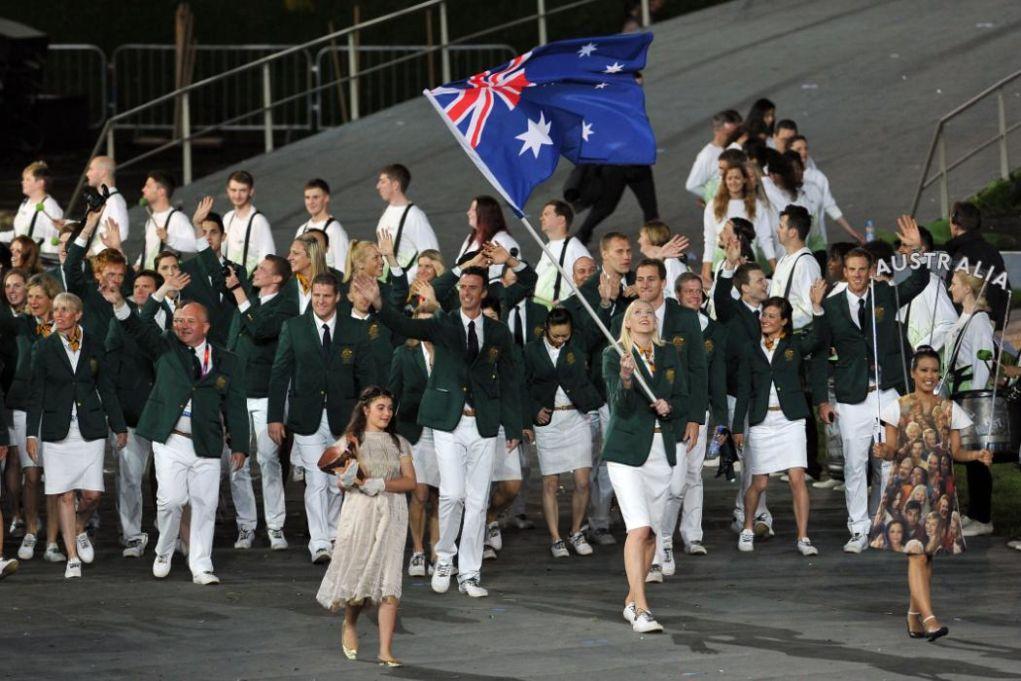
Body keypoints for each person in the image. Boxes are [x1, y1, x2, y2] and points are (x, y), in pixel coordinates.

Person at [353, 253, 524, 599]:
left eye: (473, 289)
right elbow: (405, 327)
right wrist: (379, 304)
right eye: (463, 288)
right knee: (451, 494)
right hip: (449, 422)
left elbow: (509, 378)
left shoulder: (497, 332)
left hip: (484, 425)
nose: (466, 294)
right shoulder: (443, 324)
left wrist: (515, 425)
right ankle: (444, 557)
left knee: (478, 500)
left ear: (483, 293)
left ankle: (471, 573)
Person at [105, 286, 250, 585]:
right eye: (179, 320)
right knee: (171, 501)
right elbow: (136, 329)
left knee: (204, 505)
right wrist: (119, 303)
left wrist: (240, 446)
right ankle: (164, 549)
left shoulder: (228, 360)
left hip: (207, 442)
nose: (182, 325)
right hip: (170, 439)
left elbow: (235, 405)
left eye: (189, 321)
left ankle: (201, 565)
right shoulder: (166, 347)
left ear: (206, 327)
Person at [813, 217, 928, 554]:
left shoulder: (885, 294)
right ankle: (858, 529)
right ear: (844, 272)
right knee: (854, 463)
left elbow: (919, 281)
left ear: (871, 269)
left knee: (890, 460)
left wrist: (917, 249)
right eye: (851, 269)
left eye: (863, 269)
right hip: (852, 396)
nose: (858, 275)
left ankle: (887, 523)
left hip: (887, 392)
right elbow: (819, 353)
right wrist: (822, 399)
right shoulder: (832, 306)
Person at [870, 346, 992, 641]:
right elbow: (891, 449)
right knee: (915, 553)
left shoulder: (950, 409)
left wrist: (977, 455)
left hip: (940, 490)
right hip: (907, 488)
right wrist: (882, 450)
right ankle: (930, 618)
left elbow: (956, 452)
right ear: (913, 373)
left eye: (934, 371)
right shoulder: (896, 407)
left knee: (927, 556)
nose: (929, 376)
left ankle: (913, 615)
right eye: (923, 370)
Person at [268, 274, 376, 563]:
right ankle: (319, 542)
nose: (321, 301)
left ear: (337, 297)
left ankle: (333, 533)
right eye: (316, 295)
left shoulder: (355, 329)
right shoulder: (294, 327)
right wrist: (275, 417)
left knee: (337, 480)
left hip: (345, 417)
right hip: (307, 417)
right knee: (316, 478)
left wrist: (367, 419)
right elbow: (280, 373)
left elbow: (366, 377)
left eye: (327, 296)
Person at [25, 292, 127, 578]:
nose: (58, 314)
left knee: (93, 494)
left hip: (90, 428)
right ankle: (72, 557)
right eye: (56, 309)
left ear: (78, 314)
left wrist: (118, 426)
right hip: (57, 431)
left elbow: (106, 387)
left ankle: (81, 525)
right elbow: (36, 394)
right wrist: (32, 433)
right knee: (65, 495)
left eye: (65, 309)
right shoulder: (44, 348)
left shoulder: (95, 344)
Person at [315, 387, 417, 667]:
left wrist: (382, 483)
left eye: (389, 408)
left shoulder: (399, 443)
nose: (386, 413)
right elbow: (340, 478)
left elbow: (410, 482)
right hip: (360, 512)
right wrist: (348, 479)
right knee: (360, 571)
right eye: (380, 407)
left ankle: (385, 651)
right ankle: (349, 623)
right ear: (366, 410)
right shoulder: (350, 441)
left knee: (389, 580)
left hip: (393, 512)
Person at [603, 300, 687, 633]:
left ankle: (630, 600)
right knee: (637, 528)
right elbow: (619, 407)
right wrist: (625, 378)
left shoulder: (668, 355)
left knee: (651, 532)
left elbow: (684, 396)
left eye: (650, 313)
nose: (645, 316)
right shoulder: (614, 355)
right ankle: (641, 609)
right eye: (637, 312)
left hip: (659, 450)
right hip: (626, 451)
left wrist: (671, 405)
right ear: (627, 323)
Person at [732, 293, 825, 555]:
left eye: (772, 316)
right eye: (764, 315)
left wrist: (816, 307)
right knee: (759, 482)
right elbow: (743, 390)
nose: (765, 320)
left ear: (784, 321)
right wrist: (738, 427)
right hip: (762, 421)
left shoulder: (794, 345)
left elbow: (817, 340)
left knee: (797, 479)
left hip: (791, 421)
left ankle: (803, 537)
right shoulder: (751, 349)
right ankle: (748, 528)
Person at [656, 272, 728, 571]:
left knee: (693, 476)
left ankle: (692, 534)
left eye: (699, 291)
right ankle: (664, 538)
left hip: (699, 413)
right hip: (672, 412)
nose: (695, 296)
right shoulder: (668, 323)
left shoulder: (713, 330)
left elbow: (715, 377)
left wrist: (720, 420)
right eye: (688, 291)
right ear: (677, 294)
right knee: (670, 479)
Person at [226, 254, 298, 550]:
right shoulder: (246, 306)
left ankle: (275, 526)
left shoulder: (285, 308)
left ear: (277, 278)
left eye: (262, 270)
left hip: (267, 396)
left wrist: (238, 292)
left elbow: (259, 329)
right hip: (239, 396)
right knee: (237, 464)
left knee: (268, 461)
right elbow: (232, 345)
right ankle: (246, 526)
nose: (255, 273)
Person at [524, 307, 602, 557]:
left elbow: (597, 327)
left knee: (582, 480)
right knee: (550, 482)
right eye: (556, 336)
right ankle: (556, 537)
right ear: (546, 328)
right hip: (548, 423)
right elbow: (521, 385)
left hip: (576, 417)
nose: (560, 340)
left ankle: (576, 531)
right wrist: (534, 410)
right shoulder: (530, 350)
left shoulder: (577, 346)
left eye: (565, 336)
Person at [4, 274, 66, 564]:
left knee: (55, 478)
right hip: (24, 406)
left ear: (52, 299)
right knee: (31, 475)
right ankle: (31, 530)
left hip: (56, 409)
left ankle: (53, 541)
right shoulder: (20, 326)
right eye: (31, 297)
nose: (33, 301)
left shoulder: (67, 329)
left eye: (39, 296)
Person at [105, 268, 164, 558]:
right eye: (137, 285)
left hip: (166, 416)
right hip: (131, 413)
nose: (140, 291)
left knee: (170, 480)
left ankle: (172, 535)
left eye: (147, 286)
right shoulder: (119, 323)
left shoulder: (177, 321)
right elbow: (111, 365)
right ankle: (131, 535)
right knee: (129, 477)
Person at [713, 257, 776, 532]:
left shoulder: (770, 313)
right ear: (744, 288)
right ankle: (750, 513)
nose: (765, 284)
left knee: (759, 455)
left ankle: (751, 511)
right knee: (751, 454)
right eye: (760, 280)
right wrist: (727, 266)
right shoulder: (731, 311)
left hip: (763, 395)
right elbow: (719, 295)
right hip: (737, 395)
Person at [388, 303, 441, 575]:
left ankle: (437, 550)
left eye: (430, 319)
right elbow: (391, 394)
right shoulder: (404, 353)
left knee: (440, 495)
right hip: (414, 431)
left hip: (444, 431)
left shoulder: (449, 353)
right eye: (420, 319)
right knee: (420, 493)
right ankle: (418, 551)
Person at [944, 267, 996, 537]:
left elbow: (982, 362)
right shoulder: (964, 317)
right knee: (965, 454)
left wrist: (974, 401)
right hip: (958, 394)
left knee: (976, 457)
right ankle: (974, 511)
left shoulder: (979, 322)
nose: (951, 287)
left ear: (967, 288)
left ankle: (983, 517)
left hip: (970, 397)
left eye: (954, 283)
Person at [702, 158, 775, 283]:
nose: (733, 182)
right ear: (724, 181)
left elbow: (765, 239)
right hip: (721, 265)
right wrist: (706, 272)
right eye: (729, 178)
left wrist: (776, 268)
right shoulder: (713, 205)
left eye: (737, 177)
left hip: (749, 264)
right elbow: (709, 240)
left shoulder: (756, 205)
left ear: (745, 179)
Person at [788, 136, 864, 245]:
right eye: (799, 149)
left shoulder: (818, 177)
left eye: (806, 148)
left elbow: (830, 206)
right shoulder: (784, 180)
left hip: (818, 243)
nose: (804, 152)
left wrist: (852, 232)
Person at [943, 201, 1009, 327]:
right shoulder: (992, 251)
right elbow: (1005, 289)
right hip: (992, 323)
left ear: (955, 224)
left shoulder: (958, 255)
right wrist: (998, 323)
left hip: (968, 325)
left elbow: (953, 294)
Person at [895, 226, 958, 351]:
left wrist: (920, 350)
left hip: (924, 363)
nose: (900, 250)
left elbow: (950, 323)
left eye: (905, 245)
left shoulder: (931, 283)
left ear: (921, 249)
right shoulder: (909, 282)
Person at [374, 164, 439, 279]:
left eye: (383, 182)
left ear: (395, 185)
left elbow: (431, 255)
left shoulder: (414, 216)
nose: (378, 186)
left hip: (403, 290)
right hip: (385, 287)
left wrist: (406, 280)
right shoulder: (387, 212)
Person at [533, 200, 591, 307]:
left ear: (561, 219)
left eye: (546, 214)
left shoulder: (574, 247)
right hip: (544, 314)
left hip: (561, 316)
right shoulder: (548, 247)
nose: (541, 218)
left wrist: (567, 304)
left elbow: (590, 282)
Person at [456, 196, 522, 283]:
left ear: (485, 214)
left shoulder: (503, 241)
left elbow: (509, 277)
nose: (468, 213)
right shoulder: (471, 238)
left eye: (473, 209)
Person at [221, 170, 275, 276]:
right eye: (233, 190)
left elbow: (268, 256)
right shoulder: (228, 218)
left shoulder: (259, 221)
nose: (237, 195)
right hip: (229, 282)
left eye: (242, 190)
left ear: (251, 191)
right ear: (228, 191)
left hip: (249, 284)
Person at [139, 171, 195, 270]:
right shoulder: (150, 220)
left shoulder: (177, 218)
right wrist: (139, 263)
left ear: (161, 191)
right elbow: (150, 249)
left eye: (148, 186)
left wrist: (169, 239)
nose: (143, 189)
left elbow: (194, 245)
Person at [8, 161, 63, 261]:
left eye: (27, 179)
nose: (23, 182)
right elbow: (19, 233)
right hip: (22, 259)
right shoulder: (25, 203)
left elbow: (53, 242)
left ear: (40, 182)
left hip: (38, 262)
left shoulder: (51, 208)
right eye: (23, 179)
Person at [685, 109, 742, 201]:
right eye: (729, 134)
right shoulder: (707, 155)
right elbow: (692, 185)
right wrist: (714, 198)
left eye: (736, 133)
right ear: (716, 131)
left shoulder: (737, 145)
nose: (734, 137)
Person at [295, 178, 349, 272]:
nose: (311, 202)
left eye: (315, 197)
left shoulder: (335, 230)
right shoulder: (302, 229)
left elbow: (343, 269)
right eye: (307, 197)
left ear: (326, 198)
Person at [83, 156, 130, 257]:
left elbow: (121, 236)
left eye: (91, 169)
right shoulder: (104, 200)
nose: (87, 174)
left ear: (103, 172)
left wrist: (93, 252)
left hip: (103, 262)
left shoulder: (115, 202)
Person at [636, 220, 689, 300]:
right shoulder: (661, 262)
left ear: (651, 237)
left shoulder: (670, 262)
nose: (638, 241)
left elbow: (678, 296)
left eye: (641, 236)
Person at [284, 235, 329, 314]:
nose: (289, 257)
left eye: (296, 253)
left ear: (311, 256)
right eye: (290, 253)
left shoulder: (332, 286)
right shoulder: (284, 285)